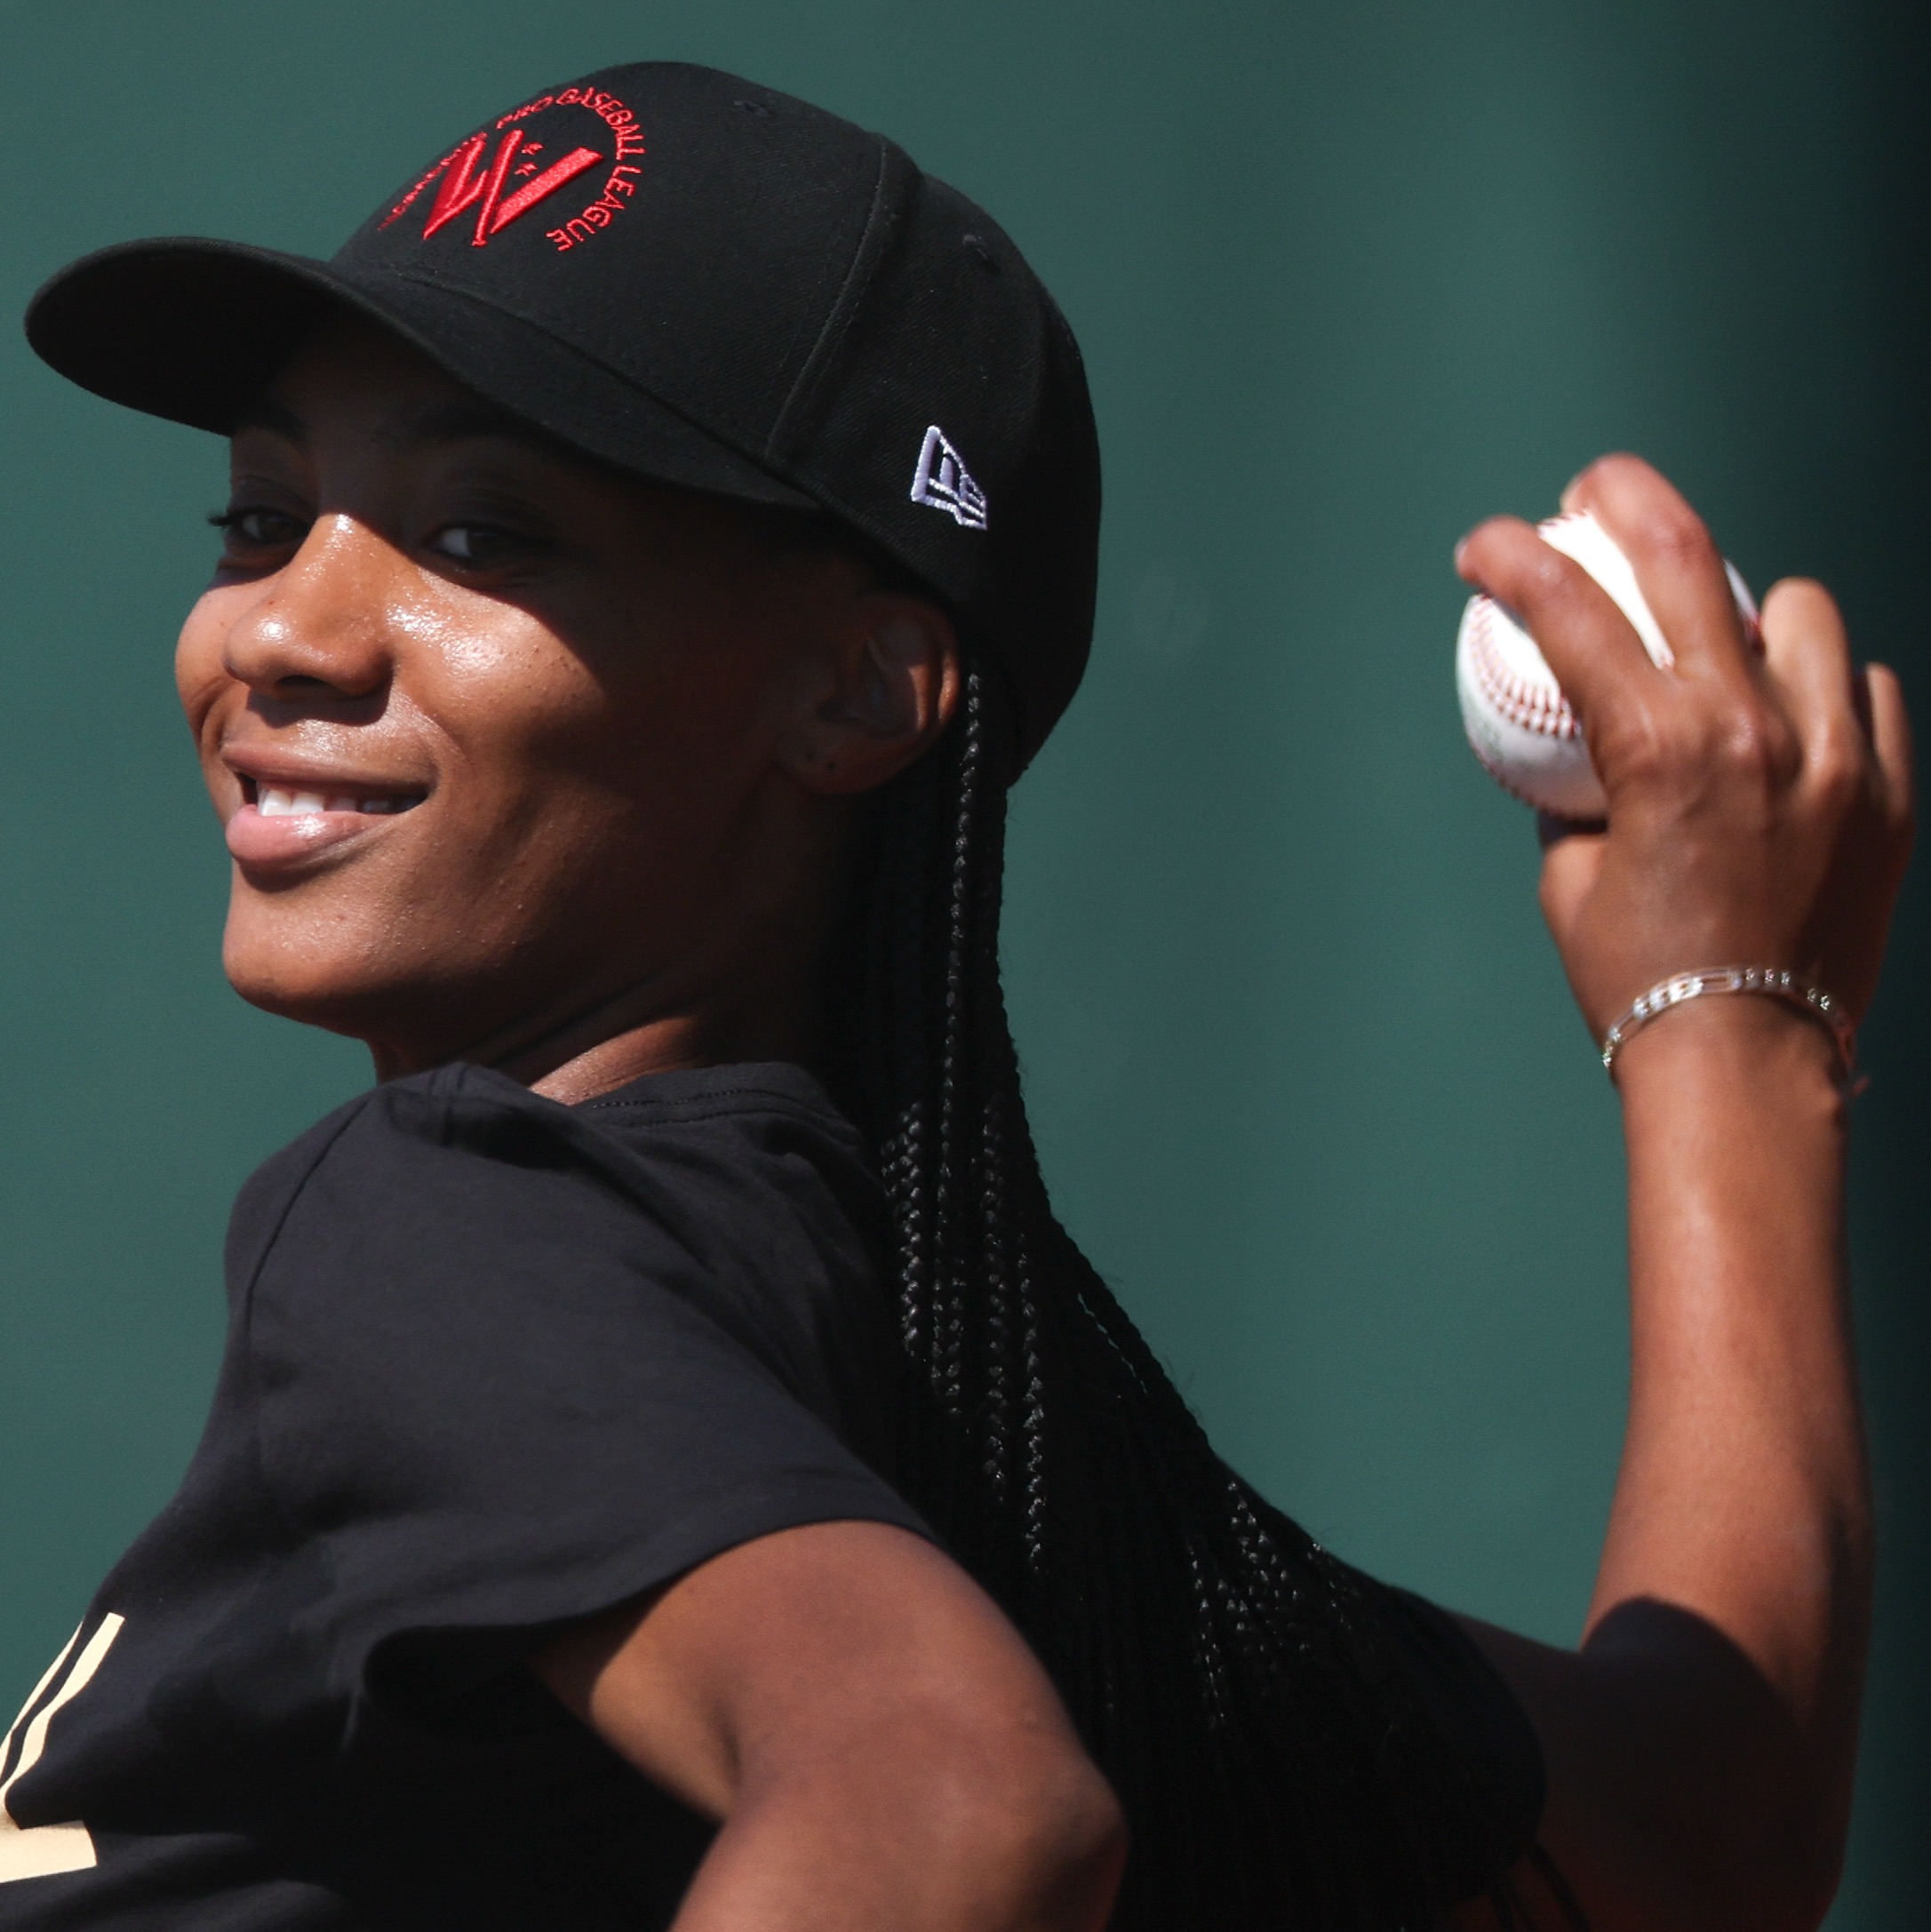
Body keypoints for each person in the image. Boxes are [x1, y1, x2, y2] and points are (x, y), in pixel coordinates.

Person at [0, 58, 1910, 1932]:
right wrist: (1730, 1033)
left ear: (858, 691)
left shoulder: (447, 1229)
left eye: (481, 532)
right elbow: (1702, 1827)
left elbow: (954, 1811)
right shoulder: (998, 1437)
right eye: (257, 518)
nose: (281, 631)